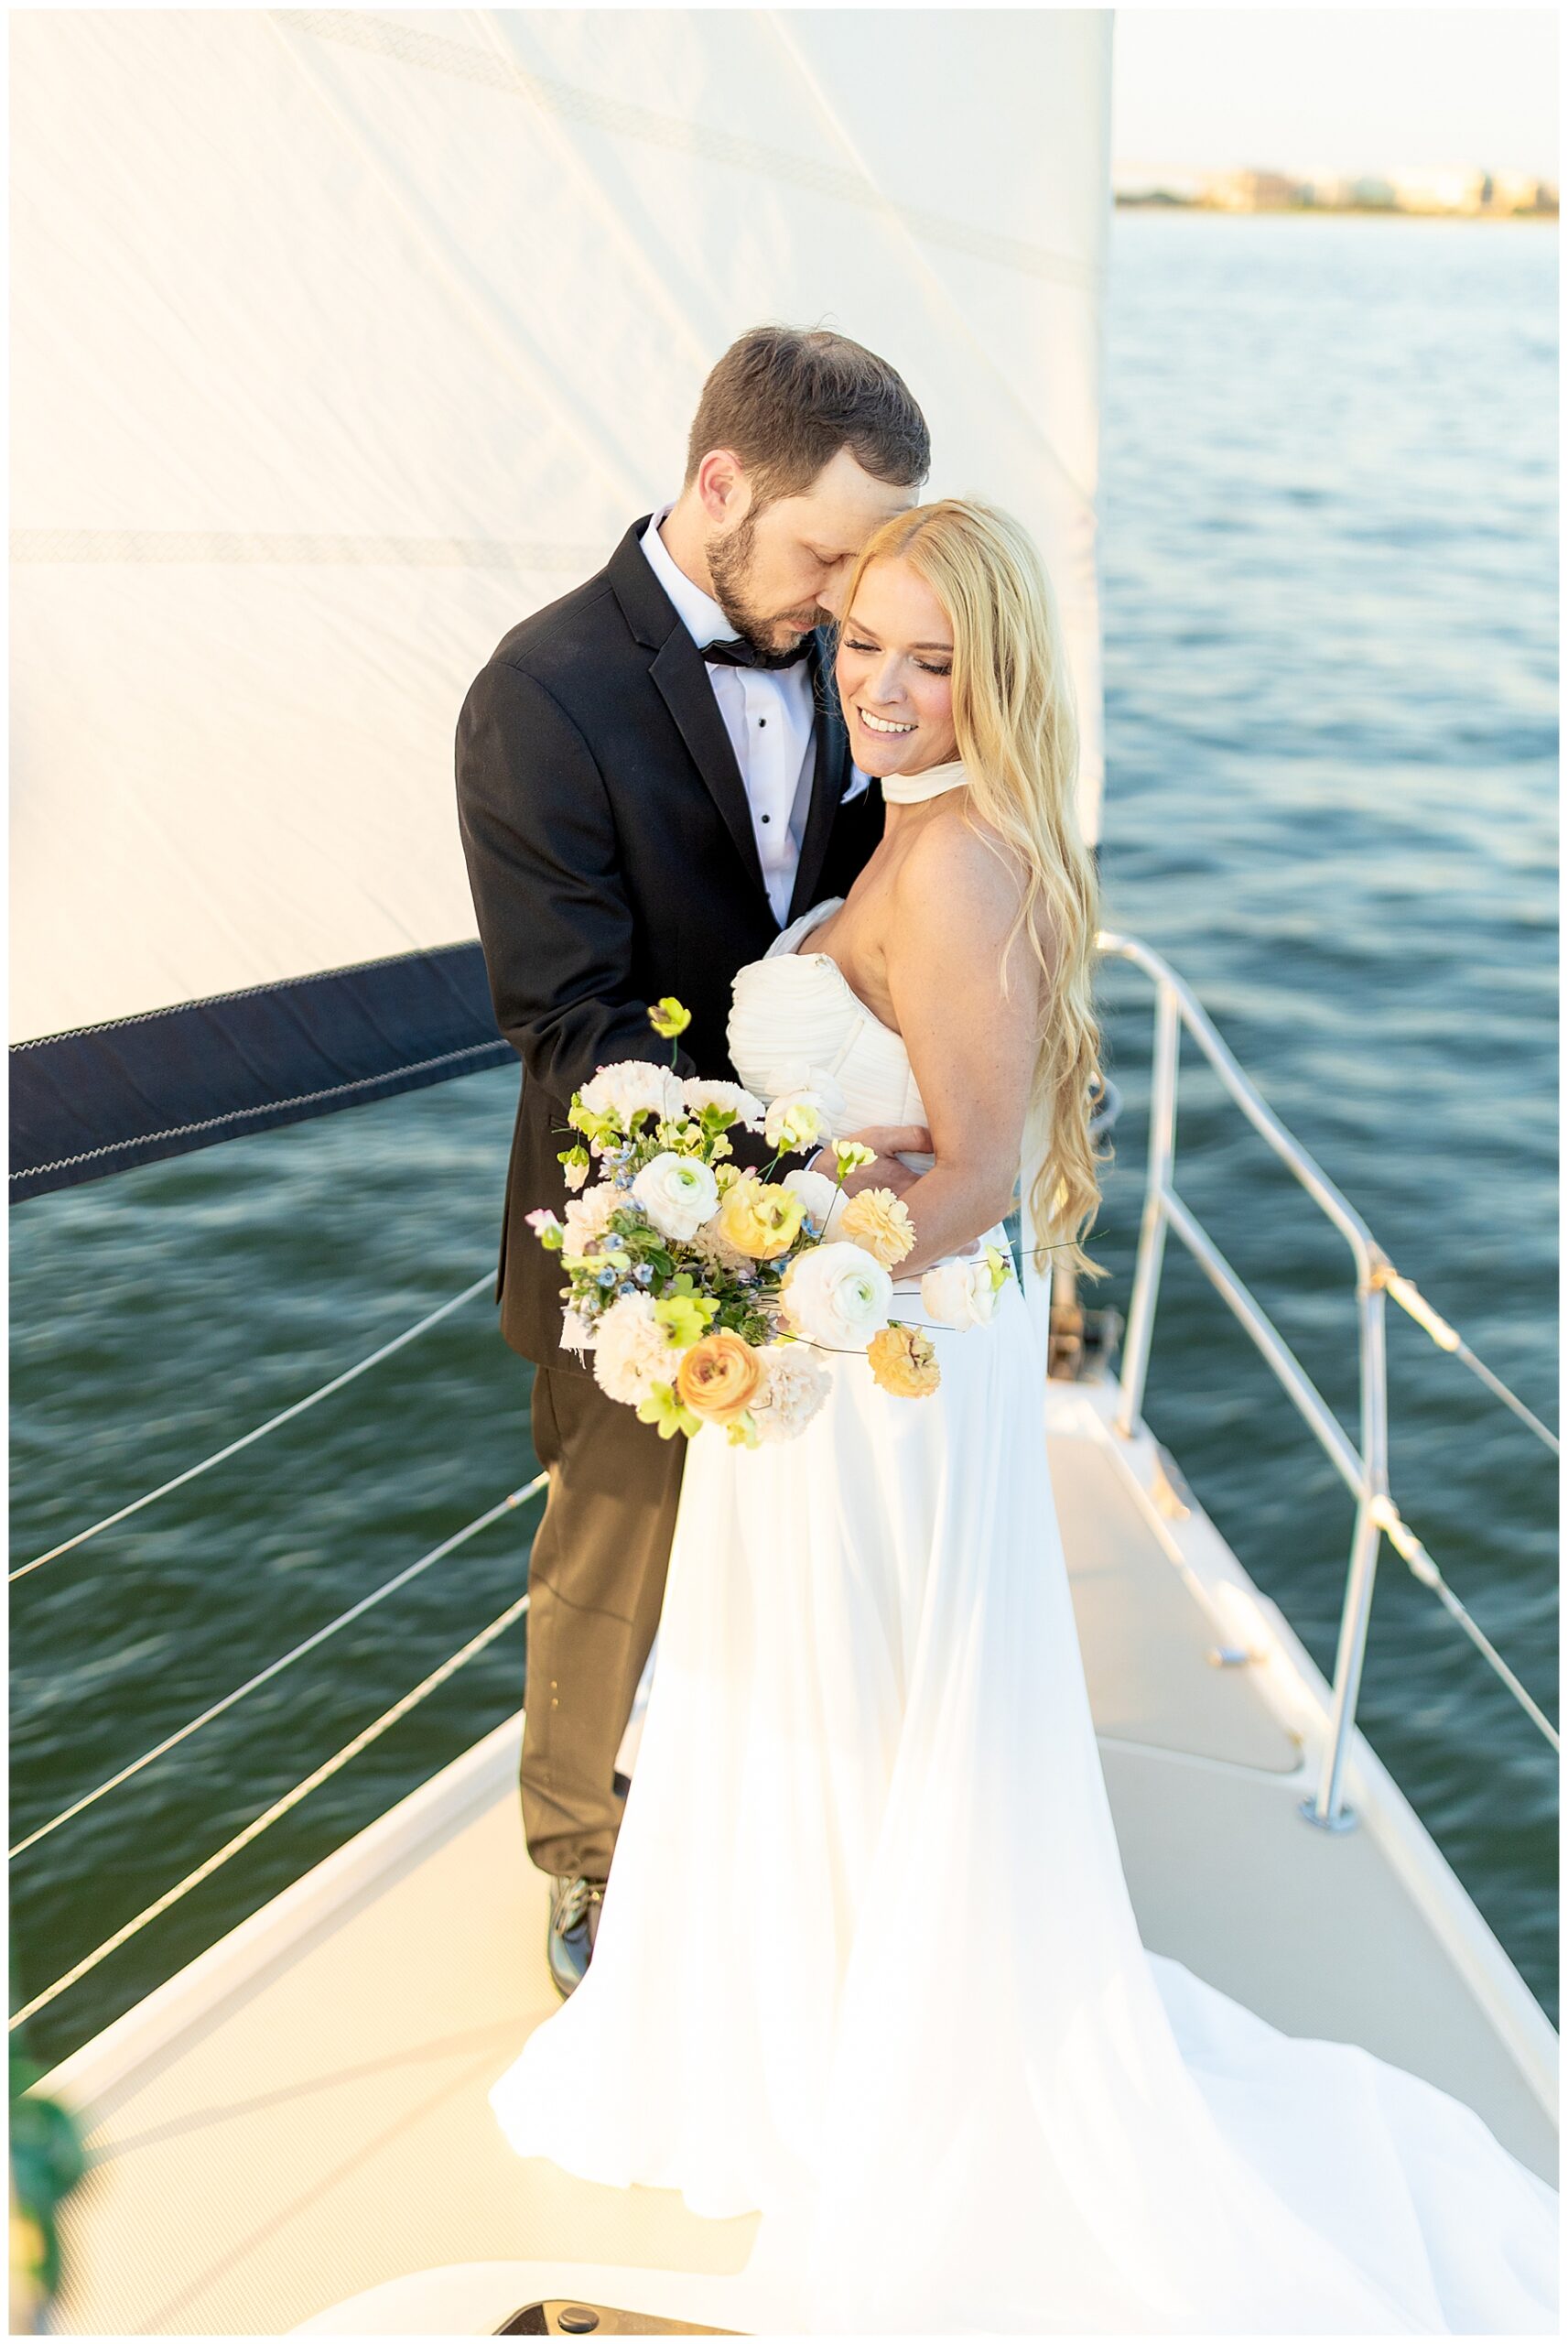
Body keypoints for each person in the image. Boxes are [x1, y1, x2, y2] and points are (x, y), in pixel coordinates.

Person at [487, 500, 1558, 2332]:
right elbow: (885, 1130)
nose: (884, 691)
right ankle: (816, 1988)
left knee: (876, 1688)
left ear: (997, 674)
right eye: (862, 648)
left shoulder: (966, 864)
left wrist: (748, 1281)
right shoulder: (910, 830)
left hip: (875, 1364)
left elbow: (972, 1171)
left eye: (930, 659)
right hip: (842, 1344)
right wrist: (750, 1225)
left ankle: (872, 2024)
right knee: (830, 1688)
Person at [456, 326, 934, 1998]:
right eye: (819, 555)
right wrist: (780, 1163)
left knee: (812, 1543)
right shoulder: (538, 694)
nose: (837, 607)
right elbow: (565, 1022)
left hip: (852, 1211)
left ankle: (790, 1822)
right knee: (612, 1558)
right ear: (720, 485)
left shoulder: (838, 652)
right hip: (636, 1225)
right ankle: (581, 1856)